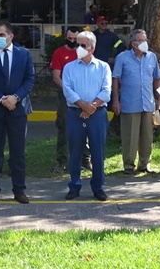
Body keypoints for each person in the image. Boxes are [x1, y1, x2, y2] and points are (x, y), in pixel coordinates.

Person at [0, 21, 35, 205]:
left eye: (1, 35)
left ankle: (19, 190)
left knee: (18, 152)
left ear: (10, 36)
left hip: (18, 110)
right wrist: (2, 98)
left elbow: (29, 79)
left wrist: (15, 97)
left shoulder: (24, 54)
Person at [62, 31, 111, 201]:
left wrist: (92, 106)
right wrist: (83, 105)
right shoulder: (69, 67)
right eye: (77, 44)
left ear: (92, 47)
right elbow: (67, 90)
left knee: (97, 151)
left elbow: (106, 91)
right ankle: (74, 186)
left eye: (82, 45)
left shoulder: (103, 67)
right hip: (76, 113)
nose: (79, 48)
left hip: (97, 114)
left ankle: (98, 187)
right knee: (75, 150)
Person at [112, 29, 160, 174]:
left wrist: (159, 98)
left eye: (145, 40)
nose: (144, 43)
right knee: (130, 136)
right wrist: (116, 100)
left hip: (147, 102)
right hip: (129, 103)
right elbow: (116, 79)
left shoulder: (151, 57)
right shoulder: (122, 57)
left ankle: (144, 164)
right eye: (141, 40)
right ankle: (128, 164)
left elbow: (157, 79)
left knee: (147, 136)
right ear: (133, 43)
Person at [49, 27, 90, 170]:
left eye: (75, 39)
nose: (72, 41)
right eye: (70, 38)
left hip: (84, 96)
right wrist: (70, 93)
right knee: (63, 127)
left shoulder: (83, 53)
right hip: (65, 96)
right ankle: (61, 161)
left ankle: (85, 160)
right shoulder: (59, 53)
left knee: (85, 126)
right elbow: (56, 77)